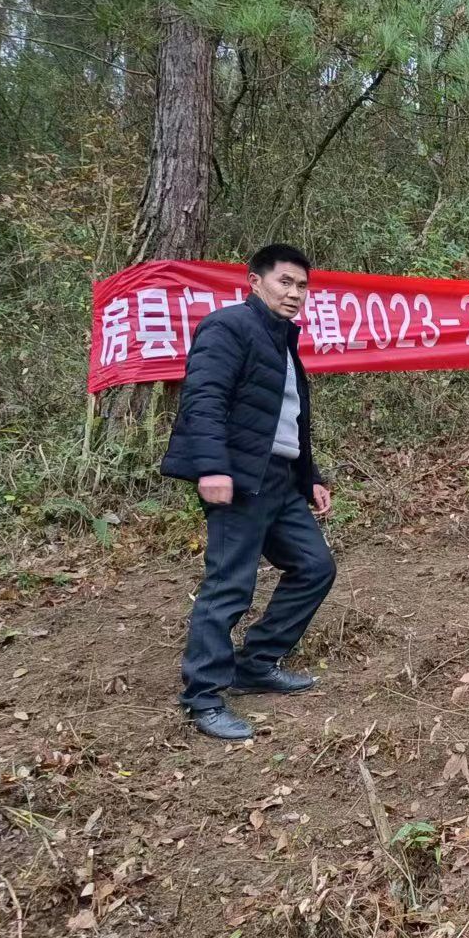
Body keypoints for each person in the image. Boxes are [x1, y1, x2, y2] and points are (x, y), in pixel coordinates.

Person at [160, 243, 337, 740]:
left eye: (302, 285)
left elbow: (288, 422)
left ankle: (256, 662)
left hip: (278, 480)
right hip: (238, 478)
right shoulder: (229, 327)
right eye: (285, 281)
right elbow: (204, 398)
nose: (295, 293)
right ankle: (203, 697)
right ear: (254, 281)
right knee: (230, 585)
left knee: (313, 566)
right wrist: (213, 468)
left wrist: (311, 478)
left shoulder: (283, 341)